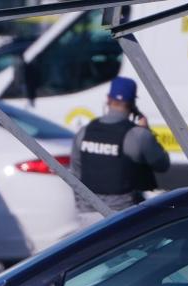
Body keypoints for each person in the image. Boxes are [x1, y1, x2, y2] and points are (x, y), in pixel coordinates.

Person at [70, 76, 170, 213]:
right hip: (121, 220)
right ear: (133, 103)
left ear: (108, 99)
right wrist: (147, 131)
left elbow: (75, 174)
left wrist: (81, 207)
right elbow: (163, 165)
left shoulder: (84, 132)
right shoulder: (138, 135)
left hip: (88, 217)